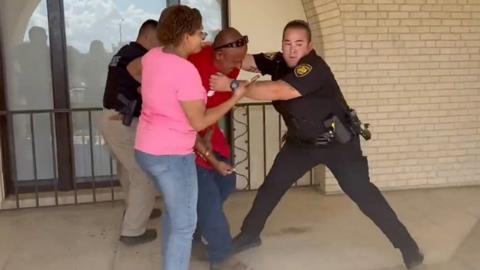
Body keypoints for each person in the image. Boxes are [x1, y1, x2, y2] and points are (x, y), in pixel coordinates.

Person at [210, 20, 424, 270]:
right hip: (300, 145)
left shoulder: (314, 67)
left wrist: (233, 86)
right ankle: (250, 235)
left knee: (365, 196)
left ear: (309, 46)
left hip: (338, 145)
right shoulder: (278, 61)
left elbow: (281, 91)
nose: (292, 50)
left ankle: (408, 247)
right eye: (287, 43)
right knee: (272, 187)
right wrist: (213, 48)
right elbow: (244, 59)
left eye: (298, 44)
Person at [128, 5, 246, 270]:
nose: (202, 36)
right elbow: (200, 121)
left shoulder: (154, 56)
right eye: (198, 32)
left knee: (175, 213)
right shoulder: (185, 71)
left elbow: (134, 70)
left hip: (146, 149)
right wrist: (236, 97)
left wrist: (154, 95)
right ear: (185, 37)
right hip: (172, 155)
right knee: (184, 226)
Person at [188, 28, 250, 270]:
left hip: (210, 132)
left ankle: (192, 234)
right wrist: (212, 159)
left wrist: (233, 83)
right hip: (185, 137)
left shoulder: (230, 68)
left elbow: (235, 89)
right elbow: (187, 122)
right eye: (235, 60)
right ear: (219, 55)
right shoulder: (193, 66)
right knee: (208, 197)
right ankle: (222, 257)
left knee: (227, 183)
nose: (239, 65)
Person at [101, 19, 161, 246]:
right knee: (142, 174)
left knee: (128, 171)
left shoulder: (123, 52)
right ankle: (133, 231)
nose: (160, 46)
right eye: (159, 40)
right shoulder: (137, 56)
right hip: (122, 121)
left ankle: (137, 210)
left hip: (113, 117)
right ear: (148, 36)